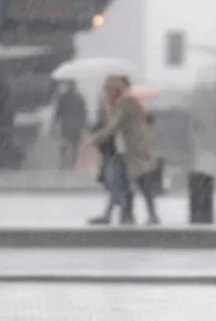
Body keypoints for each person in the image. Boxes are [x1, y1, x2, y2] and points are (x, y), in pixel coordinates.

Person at [85, 76, 161, 225]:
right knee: (118, 183)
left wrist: (95, 139)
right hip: (123, 151)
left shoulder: (126, 102)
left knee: (142, 183)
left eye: (110, 89)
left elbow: (115, 126)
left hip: (134, 151)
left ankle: (150, 215)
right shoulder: (118, 104)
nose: (106, 92)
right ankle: (111, 215)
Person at [54, 81, 88, 169]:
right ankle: (74, 161)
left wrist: (56, 120)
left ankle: (63, 160)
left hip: (66, 123)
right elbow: (83, 111)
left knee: (65, 141)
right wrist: (83, 123)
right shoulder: (79, 97)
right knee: (75, 144)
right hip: (76, 123)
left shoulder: (62, 97)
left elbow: (58, 111)